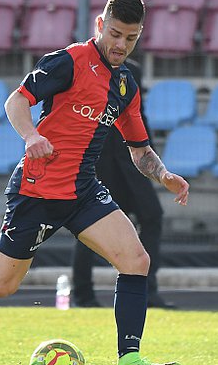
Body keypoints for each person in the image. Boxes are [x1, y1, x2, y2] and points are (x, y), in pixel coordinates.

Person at [0, 0, 189, 365]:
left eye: (130, 38)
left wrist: (164, 176)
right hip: (36, 192)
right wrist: (30, 136)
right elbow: (15, 102)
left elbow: (139, 149)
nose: (120, 44)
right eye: (114, 34)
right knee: (0, 286)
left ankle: (129, 363)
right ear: (100, 25)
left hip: (83, 192)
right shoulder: (69, 61)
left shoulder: (126, 84)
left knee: (136, 259)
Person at [71, 58, 174, 309]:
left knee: (152, 216)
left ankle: (147, 290)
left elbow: (139, 116)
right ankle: (82, 295)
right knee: (89, 230)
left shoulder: (133, 71)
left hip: (131, 166)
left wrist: (150, 157)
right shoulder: (82, 67)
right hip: (99, 166)